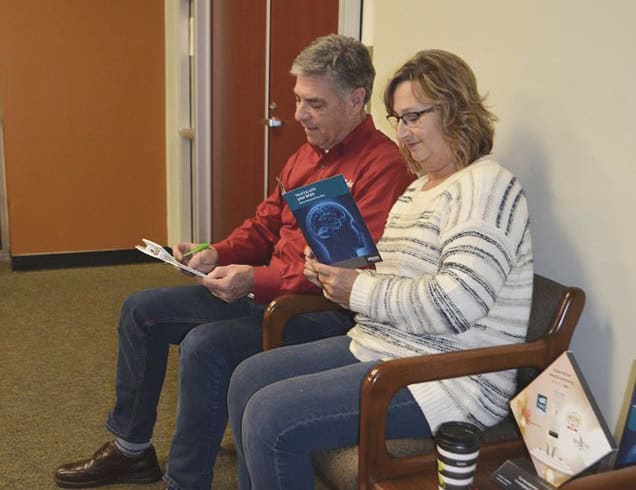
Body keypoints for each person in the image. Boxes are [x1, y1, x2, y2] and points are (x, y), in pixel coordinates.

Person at [53, 34, 413, 490]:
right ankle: (131, 451)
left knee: (205, 345)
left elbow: (347, 273)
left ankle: (184, 482)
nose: (299, 114)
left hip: (317, 311)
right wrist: (218, 253)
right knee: (141, 311)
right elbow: (265, 224)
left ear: (356, 99)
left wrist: (253, 282)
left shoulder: (381, 167)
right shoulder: (307, 152)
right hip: (265, 291)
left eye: (315, 104)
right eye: (298, 99)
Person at [227, 49, 534, 490]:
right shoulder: (416, 193)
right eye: (396, 119)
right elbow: (389, 281)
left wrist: (358, 290)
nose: (402, 133)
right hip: (385, 348)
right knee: (247, 378)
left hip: (448, 378)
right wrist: (336, 277)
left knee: (270, 415)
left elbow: (455, 305)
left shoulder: (486, 186)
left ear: (454, 109)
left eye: (413, 117)